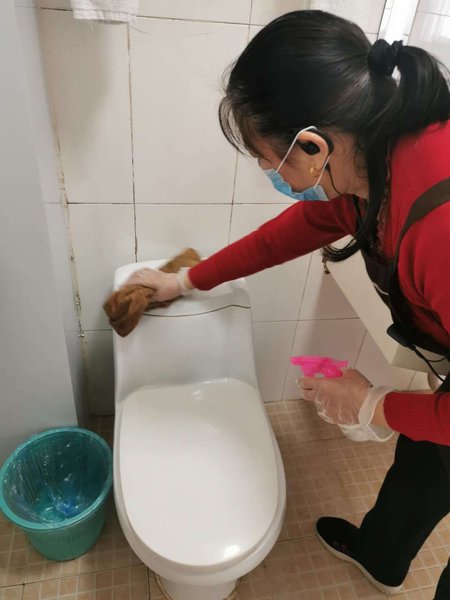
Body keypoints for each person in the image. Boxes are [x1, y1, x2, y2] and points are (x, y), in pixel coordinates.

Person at [121, 10, 450, 598]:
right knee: (427, 454)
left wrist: (373, 404)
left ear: (314, 145)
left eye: (267, 157)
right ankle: (381, 555)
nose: (266, 170)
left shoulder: (440, 225)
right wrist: (185, 280)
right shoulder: (371, 160)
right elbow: (285, 236)